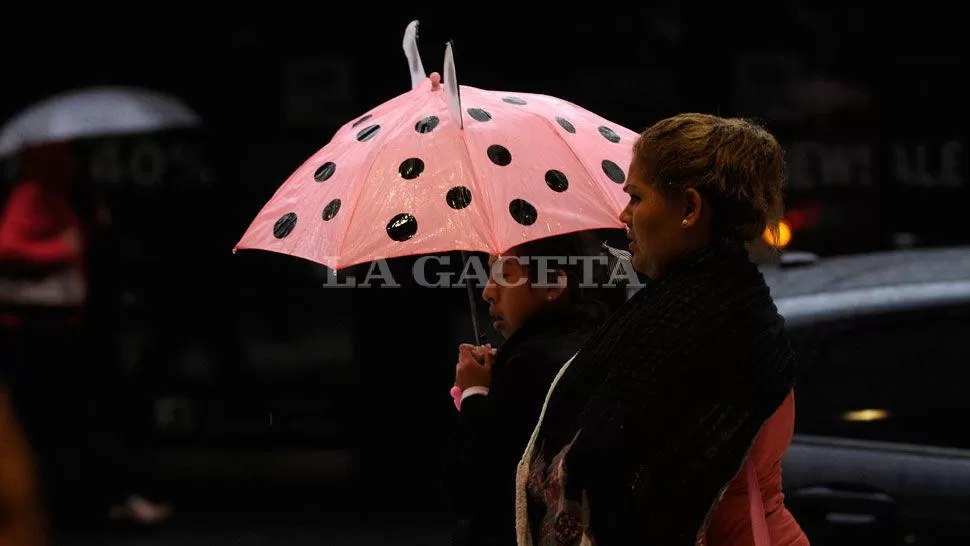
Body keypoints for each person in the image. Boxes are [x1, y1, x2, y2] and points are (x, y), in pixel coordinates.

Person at [515, 113, 809, 545]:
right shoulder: (733, 306)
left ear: (689, 209)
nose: (624, 214)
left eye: (636, 197)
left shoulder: (697, 328)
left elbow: (610, 476)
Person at [443, 231, 626, 546]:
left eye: (504, 275)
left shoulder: (529, 364)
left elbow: (474, 487)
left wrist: (474, 395)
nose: (488, 291)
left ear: (552, 285)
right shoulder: (599, 343)